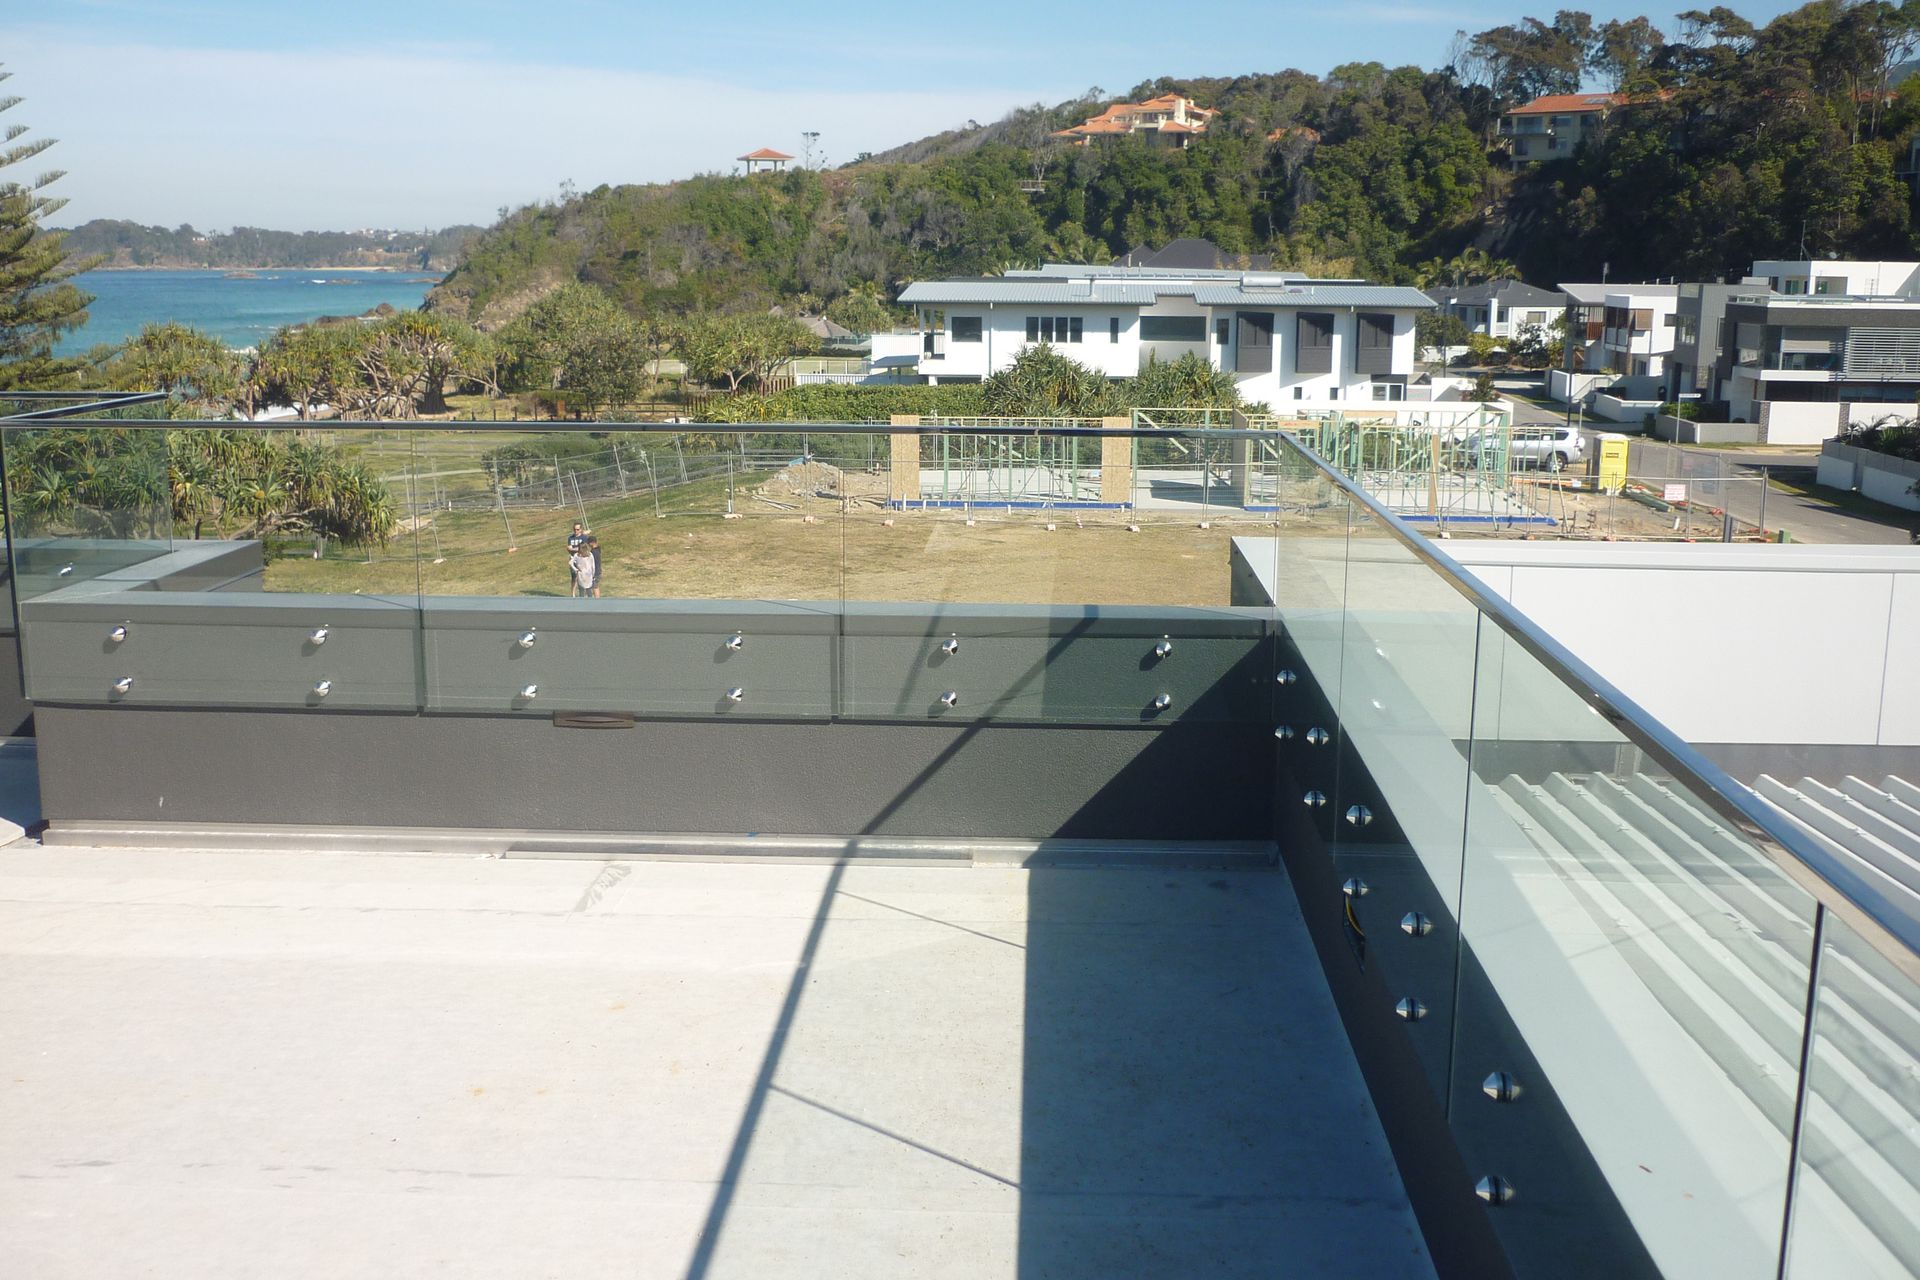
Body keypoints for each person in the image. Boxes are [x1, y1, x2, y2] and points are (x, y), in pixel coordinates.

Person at [566, 522, 587, 591]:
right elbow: (569, 547)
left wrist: (573, 549)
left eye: (577, 529)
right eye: (574, 529)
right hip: (573, 558)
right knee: (573, 577)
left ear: (581, 529)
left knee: (582, 576)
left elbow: (582, 548)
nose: (576, 531)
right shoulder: (570, 538)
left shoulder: (584, 537)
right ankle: (573, 594)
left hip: (581, 558)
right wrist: (574, 549)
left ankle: (583, 592)